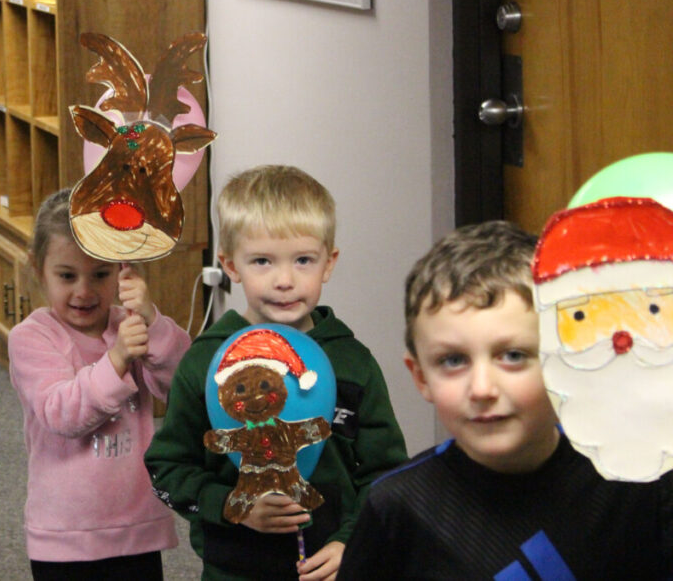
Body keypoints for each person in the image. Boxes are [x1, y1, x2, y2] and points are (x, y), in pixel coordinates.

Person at [336, 220, 673, 579]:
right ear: (421, 377)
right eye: (453, 361)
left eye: (513, 355)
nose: (482, 388)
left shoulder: (638, 479)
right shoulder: (398, 508)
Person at [144, 164, 408, 581]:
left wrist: (351, 540)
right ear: (231, 266)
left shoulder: (354, 363)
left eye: (303, 260)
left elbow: (386, 474)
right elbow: (167, 468)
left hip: (334, 567)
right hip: (235, 569)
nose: (285, 280)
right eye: (262, 261)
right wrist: (231, 503)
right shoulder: (205, 362)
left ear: (329, 263)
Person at [8, 188, 191, 581]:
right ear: (39, 268)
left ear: (123, 271)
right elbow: (62, 414)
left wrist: (152, 321)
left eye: (100, 274)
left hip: (135, 528)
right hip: (64, 536)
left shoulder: (129, 325)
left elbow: (181, 383)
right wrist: (118, 358)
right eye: (67, 275)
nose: (84, 291)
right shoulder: (32, 338)